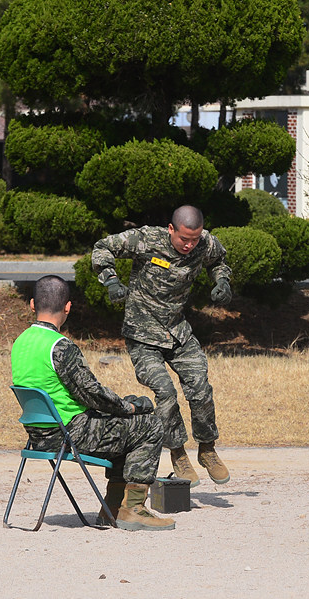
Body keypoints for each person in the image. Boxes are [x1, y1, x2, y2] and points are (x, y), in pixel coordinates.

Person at [10, 275, 174, 531]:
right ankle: (132, 509)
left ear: (32, 305)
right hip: (69, 434)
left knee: (126, 423)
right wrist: (128, 407)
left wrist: (122, 407)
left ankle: (112, 509)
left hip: (38, 434)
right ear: (68, 307)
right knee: (149, 425)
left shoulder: (20, 343)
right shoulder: (59, 346)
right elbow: (92, 394)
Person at [91, 205, 232, 487]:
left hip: (177, 331)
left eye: (194, 239)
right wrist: (111, 280)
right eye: (183, 239)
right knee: (165, 392)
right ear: (171, 229)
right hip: (143, 335)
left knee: (200, 386)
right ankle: (178, 452)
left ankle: (207, 449)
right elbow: (102, 248)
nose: (189, 245)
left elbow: (219, 261)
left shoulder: (205, 243)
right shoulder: (146, 239)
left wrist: (222, 281)